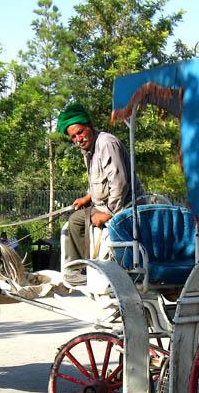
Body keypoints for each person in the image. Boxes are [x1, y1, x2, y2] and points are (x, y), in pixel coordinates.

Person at [56, 102, 144, 283]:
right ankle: (81, 269)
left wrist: (109, 213)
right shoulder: (88, 149)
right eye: (73, 137)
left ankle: (88, 269)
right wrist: (88, 197)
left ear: (90, 125)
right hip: (104, 204)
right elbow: (99, 178)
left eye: (80, 132)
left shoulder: (106, 143)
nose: (78, 139)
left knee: (77, 222)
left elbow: (120, 183)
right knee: (74, 220)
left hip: (124, 206)